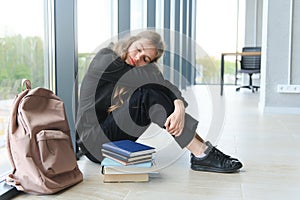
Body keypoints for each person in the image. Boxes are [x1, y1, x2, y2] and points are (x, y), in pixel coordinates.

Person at [76, 30, 243, 173]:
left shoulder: (135, 71)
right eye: (139, 49)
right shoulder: (105, 59)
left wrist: (179, 106)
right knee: (147, 96)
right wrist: (177, 101)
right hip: (94, 143)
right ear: (131, 42)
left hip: (111, 137)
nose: (139, 57)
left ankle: (203, 150)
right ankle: (201, 153)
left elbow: (163, 85)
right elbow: (160, 84)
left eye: (146, 59)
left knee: (151, 93)